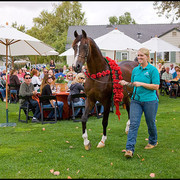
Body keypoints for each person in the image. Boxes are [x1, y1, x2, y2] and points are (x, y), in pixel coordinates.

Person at [119, 47, 160, 158]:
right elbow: (134, 83)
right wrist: (126, 83)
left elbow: (156, 86)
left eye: (142, 55)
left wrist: (141, 84)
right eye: (138, 55)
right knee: (133, 124)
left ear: (147, 57)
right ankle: (129, 149)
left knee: (150, 122)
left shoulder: (153, 70)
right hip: (136, 101)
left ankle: (153, 141)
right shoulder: (136, 70)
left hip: (150, 101)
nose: (139, 57)